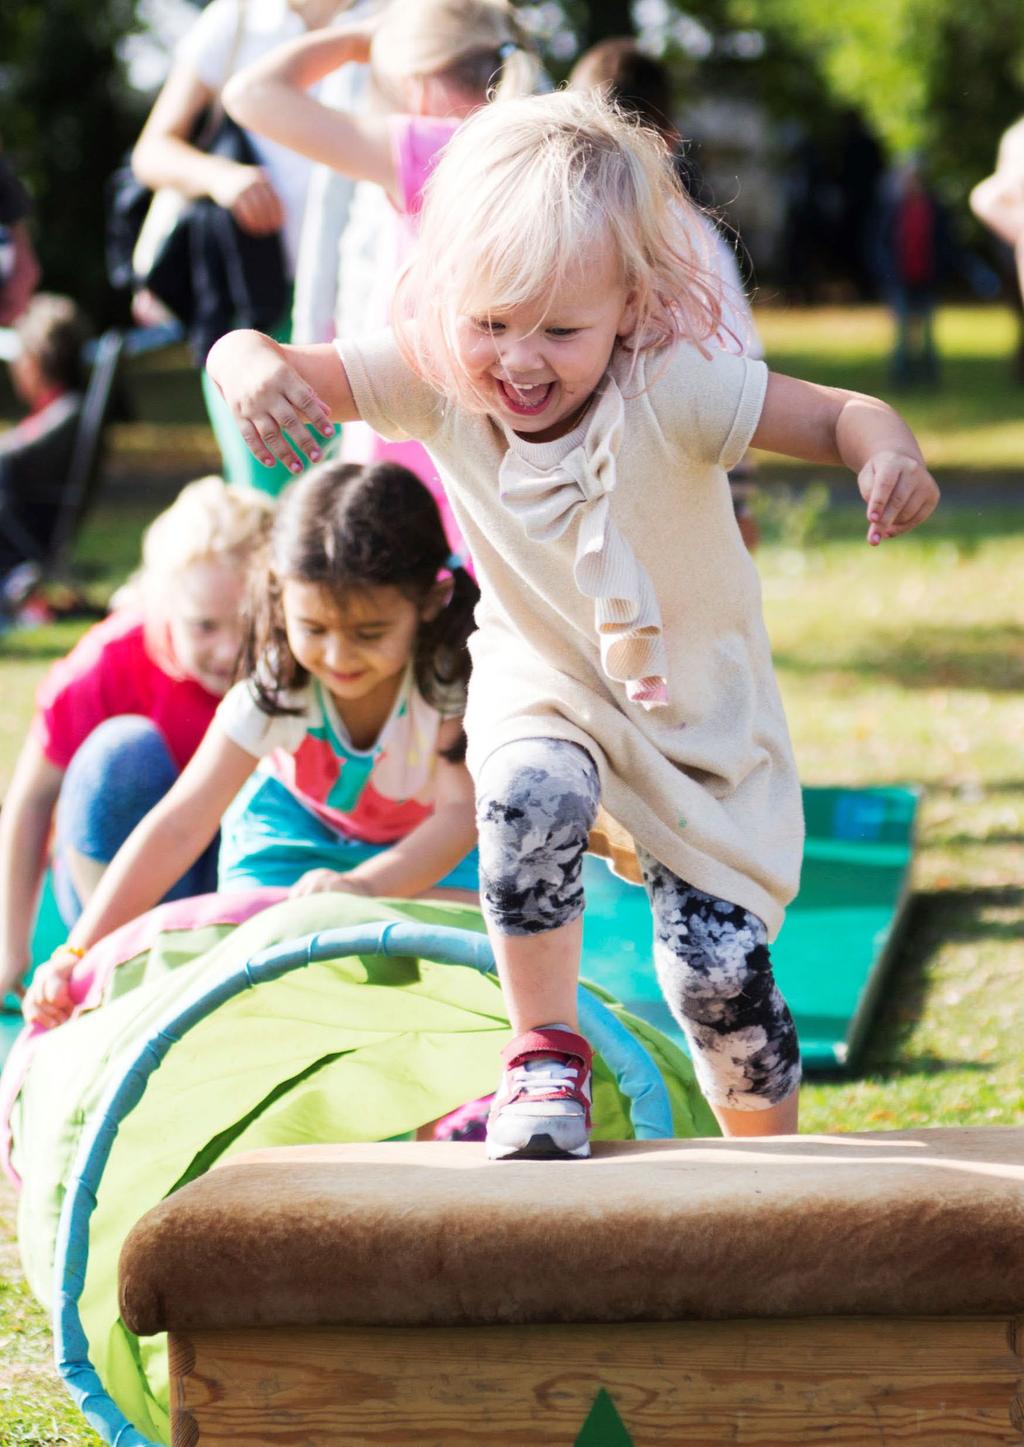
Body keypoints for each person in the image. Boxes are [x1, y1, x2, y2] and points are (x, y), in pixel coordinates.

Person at [203, 90, 940, 1160]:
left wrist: (889, 454)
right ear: (451, 304)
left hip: (696, 724)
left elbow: (837, 413)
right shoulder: (438, 379)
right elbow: (256, 351)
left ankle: (769, 1163)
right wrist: (248, 362)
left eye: (561, 329)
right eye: (491, 323)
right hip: (544, 681)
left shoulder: (673, 389)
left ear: (631, 309)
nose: (519, 361)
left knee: (718, 978)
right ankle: (542, 1048)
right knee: (523, 794)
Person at [24, 459, 480, 1029]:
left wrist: (364, 887)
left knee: (461, 964)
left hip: (421, 841)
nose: (338, 658)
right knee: (261, 976)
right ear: (279, 594)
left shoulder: (445, 677)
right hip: (295, 838)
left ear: (432, 600)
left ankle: (449, 1111)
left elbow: (463, 817)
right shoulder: (277, 685)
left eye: (369, 634)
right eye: (313, 629)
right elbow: (181, 822)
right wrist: (78, 951)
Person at [223, 0, 538, 559]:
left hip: (418, 409)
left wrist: (361, 38)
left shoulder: (431, 148)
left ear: (414, 84)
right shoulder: (534, 147)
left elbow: (249, 95)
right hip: (520, 411)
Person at [0, 476, 273, 1004]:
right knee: (123, 752)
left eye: (250, 623)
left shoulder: (292, 663)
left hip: (236, 875)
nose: (230, 650)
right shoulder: (109, 660)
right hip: (120, 891)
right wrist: (11, 945)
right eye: (205, 627)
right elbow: (32, 798)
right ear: (164, 604)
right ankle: (125, 965)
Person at [130, 0, 343, 495]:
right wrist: (220, 177)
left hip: (364, 297)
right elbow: (152, 150)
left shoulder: (395, 15)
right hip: (253, 307)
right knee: (270, 503)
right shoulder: (239, 17)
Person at [568, 36, 763, 550]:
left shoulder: (687, 239)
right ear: (671, 138)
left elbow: (737, 374)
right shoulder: (696, 238)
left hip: (662, 476)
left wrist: (738, 502)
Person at [0, 294, 90, 603]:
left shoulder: (67, 412)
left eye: (20, 357)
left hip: (23, 535)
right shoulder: (56, 410)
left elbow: (9, 458)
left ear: (38, 360)